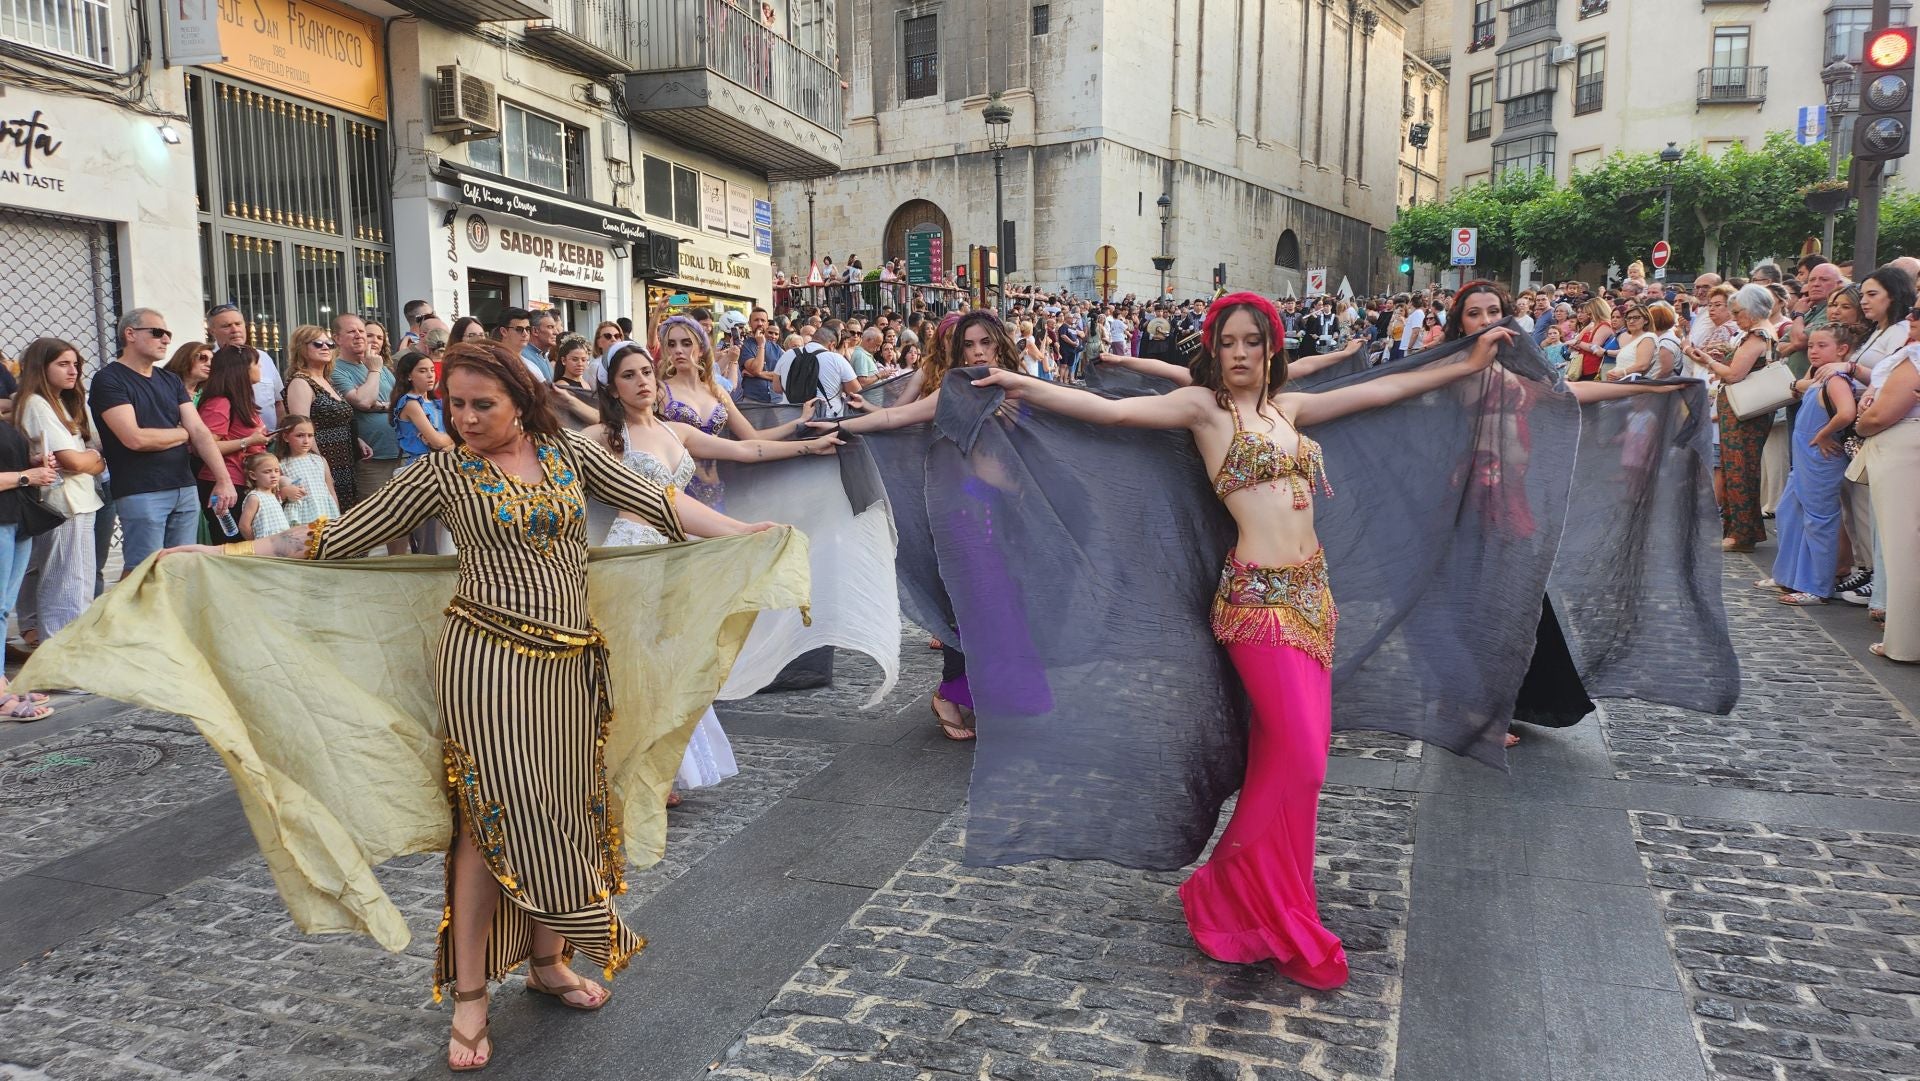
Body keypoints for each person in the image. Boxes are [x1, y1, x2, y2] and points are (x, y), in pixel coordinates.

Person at [145, 341, 795, 1072]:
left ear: (522, 399)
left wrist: (745, 535)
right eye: (455, 403)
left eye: (481, 403)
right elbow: (334, 536)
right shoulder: (444, 472)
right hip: (485, 664)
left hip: (572, 665)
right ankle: (472, 993)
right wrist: (225, 557)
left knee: (568, 806)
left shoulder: (566, 455)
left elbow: (661, 500)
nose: (465, 416)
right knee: (489, 822)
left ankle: (548, 960)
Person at [964, 293, 1511, 989]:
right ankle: (1241, 890)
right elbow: (1113, 412)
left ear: (1272, 346)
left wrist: (1464, 363)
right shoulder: (1203, 409)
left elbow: (1384, 387)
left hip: (1315, 596)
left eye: (1253, 341)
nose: (1242, 353)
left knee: (1292, 763)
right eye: (1229, 343)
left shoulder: (1292, 409)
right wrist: (1019, 382)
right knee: (1305, 762)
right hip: (1258, 603)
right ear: (1215, 351)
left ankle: (1251, 900)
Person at [587, 344, 842, 803]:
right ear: (612, 386)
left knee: (675, 660)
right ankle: (632, 768)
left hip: (678, 552)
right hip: (631, 554)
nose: (643, 381)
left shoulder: (676, 431)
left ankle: (658, 764)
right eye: (629, 375)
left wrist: (810, 442)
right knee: (634, 663)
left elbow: (749, 449)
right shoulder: (604, 435)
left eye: (647, 371)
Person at [91, 309, 237, 575]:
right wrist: (184, 434)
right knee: (144, 570)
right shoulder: (109, 379)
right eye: (157, 332)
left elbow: (201, 432)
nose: (166, 339)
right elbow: (135, 438)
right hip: (141, 489)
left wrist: (223, 478)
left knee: (181, 569)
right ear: (130, 334)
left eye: (168, 334)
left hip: (184, 486)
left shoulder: (169, 380)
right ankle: (124, 617)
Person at [1761, 326, 1863, 606]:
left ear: (1842, 350)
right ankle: (1791, 575)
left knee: (1820, 521)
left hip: (1821, 460)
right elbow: (1801, 388)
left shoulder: (1836, 380)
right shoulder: (1821, 377)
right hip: (1806, 459)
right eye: (1811, 346)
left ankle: (1817, 586)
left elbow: (1846, 413)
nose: (1813, 351)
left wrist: (1825, 433)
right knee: (1788, 512)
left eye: (1822, 346)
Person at [13, 338, 103, 645]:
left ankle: (67, 655)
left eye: (76, 364)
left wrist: (91, 460)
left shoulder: (61, 401)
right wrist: (94, 461)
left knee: (77, 580)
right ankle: (63, 657)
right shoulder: (37, 404)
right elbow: (74, 460)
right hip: (64, 502)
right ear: (42, 367)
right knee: (68, 583)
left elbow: (92, 454)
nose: (73, 371)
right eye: (63, 364)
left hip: (79, 499)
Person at [1702, 284, 1781, 552]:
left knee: (1739, 471)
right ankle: (1737, 530)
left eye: (1737, 312)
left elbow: (1734, 374)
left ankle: (1742, 534)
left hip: (1744, 414)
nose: (1735, 317)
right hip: (1740, 411)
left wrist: (1710, 362)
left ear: (1751, 309)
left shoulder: (1758, 335)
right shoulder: (1759, 332)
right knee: (1735, 469)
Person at [332, 315, 404, 550]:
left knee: (403, 516)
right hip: (372, 458)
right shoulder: (336, 370)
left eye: (362, 331)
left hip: (400, 451)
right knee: (375, 518)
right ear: (337, 338)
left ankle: (400, 566)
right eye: (351, 332)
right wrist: (373, 371)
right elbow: (363, 401)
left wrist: (381, 405)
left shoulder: (381, 367)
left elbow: (398, 402)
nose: (359, 336)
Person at [195, 346, 276, 543]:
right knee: (231, 543)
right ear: (241, 369)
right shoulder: (220, 402)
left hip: (243, 481)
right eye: (255, 363)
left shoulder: (242, 401)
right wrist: (249, 441)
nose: (260, 367)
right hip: (225, 484)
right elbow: (204, 447)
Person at [282, 325, 359, 511]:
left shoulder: (327, 380)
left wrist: (358, 440)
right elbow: (302, 430)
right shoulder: (301, 382)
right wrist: (320, 465)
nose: (325, 347)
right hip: (322, 460)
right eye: (318, 344)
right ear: (302, 348)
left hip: (344, 459)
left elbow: (338, 418)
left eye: (330, 344)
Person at [207, 304, 283, 434]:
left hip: (270, 443)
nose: (235, 330)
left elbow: (278, 403)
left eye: (238, 324)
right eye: (226, 326)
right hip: (230, 447)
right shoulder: (207, 360)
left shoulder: (263, 358)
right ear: (212, 331)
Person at [273, 416, 339, 527]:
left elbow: (330, 490)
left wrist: (338, 515)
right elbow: (273, 496)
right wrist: (284, 493)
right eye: (300, 436)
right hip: (299, 515)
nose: (306, 441)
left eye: (310, 435)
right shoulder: (279, 464)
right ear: (285, 437)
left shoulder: (319, 460)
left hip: (325, 511)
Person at [236, 452, 293, 541]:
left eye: (276, 471)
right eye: (267, 471)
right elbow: (244, 526)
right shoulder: (255, 497)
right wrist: (256, 544)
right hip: (266, 544)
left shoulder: (273, 495)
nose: (273, 475)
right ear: (253, 475)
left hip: (282, 543)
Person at [522, 310, 558, 383]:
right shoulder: (523, 357)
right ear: (535, 331)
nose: (556, 332)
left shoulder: (543, 355)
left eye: (555, 327)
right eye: (550, 327)